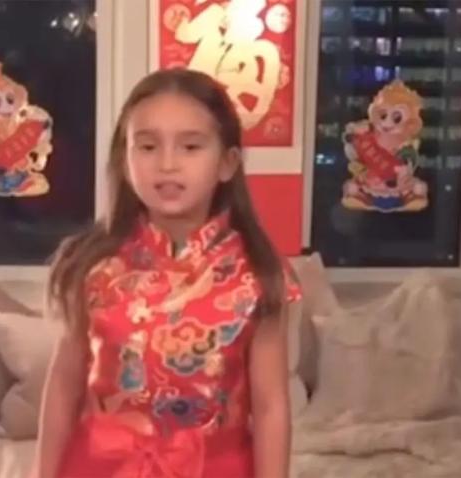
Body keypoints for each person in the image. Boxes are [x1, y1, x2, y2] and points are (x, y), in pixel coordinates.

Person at [31, 68, 301, 478]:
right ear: (125, 160)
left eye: (190, 146)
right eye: (148, 146)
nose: (168, 164)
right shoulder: (91, 263)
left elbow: (270, 408)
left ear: (227, 163)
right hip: (100, 467)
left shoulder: (257, 275)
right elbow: (64, 385)